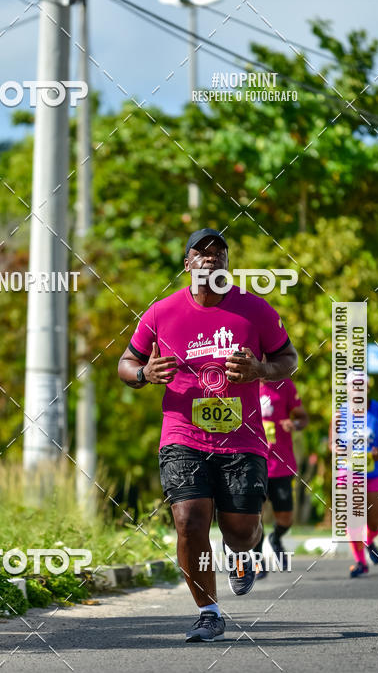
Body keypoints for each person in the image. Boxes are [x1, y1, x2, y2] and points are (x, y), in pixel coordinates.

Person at [117, 228, 297, 641]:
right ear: (187, 265)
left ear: (228, 264)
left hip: (243, 439)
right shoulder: (161, 312)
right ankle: (209, 612)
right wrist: (144, 374)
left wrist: (261, 370)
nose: (210, 258)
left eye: (219, 252)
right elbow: (127, 362)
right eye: (201, 252)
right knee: (189, 520)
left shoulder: (256, 311)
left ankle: (247, 551)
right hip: (182, 435)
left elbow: (288, 358)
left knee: (238, 530)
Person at [330, 378, 378, 578]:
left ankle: (369, 540)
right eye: (354, 386)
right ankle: (360, 562)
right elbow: (332, 443)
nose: (357, 390)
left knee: (374, 524)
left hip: (376, 471)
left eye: (362, 386)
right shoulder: (340, 414)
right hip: (348, 470)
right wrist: (337, 448)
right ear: (348, 389)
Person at [253, 379, 309, 577]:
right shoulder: (243, 382)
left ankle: (276, 538)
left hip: (281, 464)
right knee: (254, 517)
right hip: (253, 463)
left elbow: (303, 418)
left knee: (286, 517)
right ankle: (258, 561)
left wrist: (293, 423)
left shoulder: (285, 385)